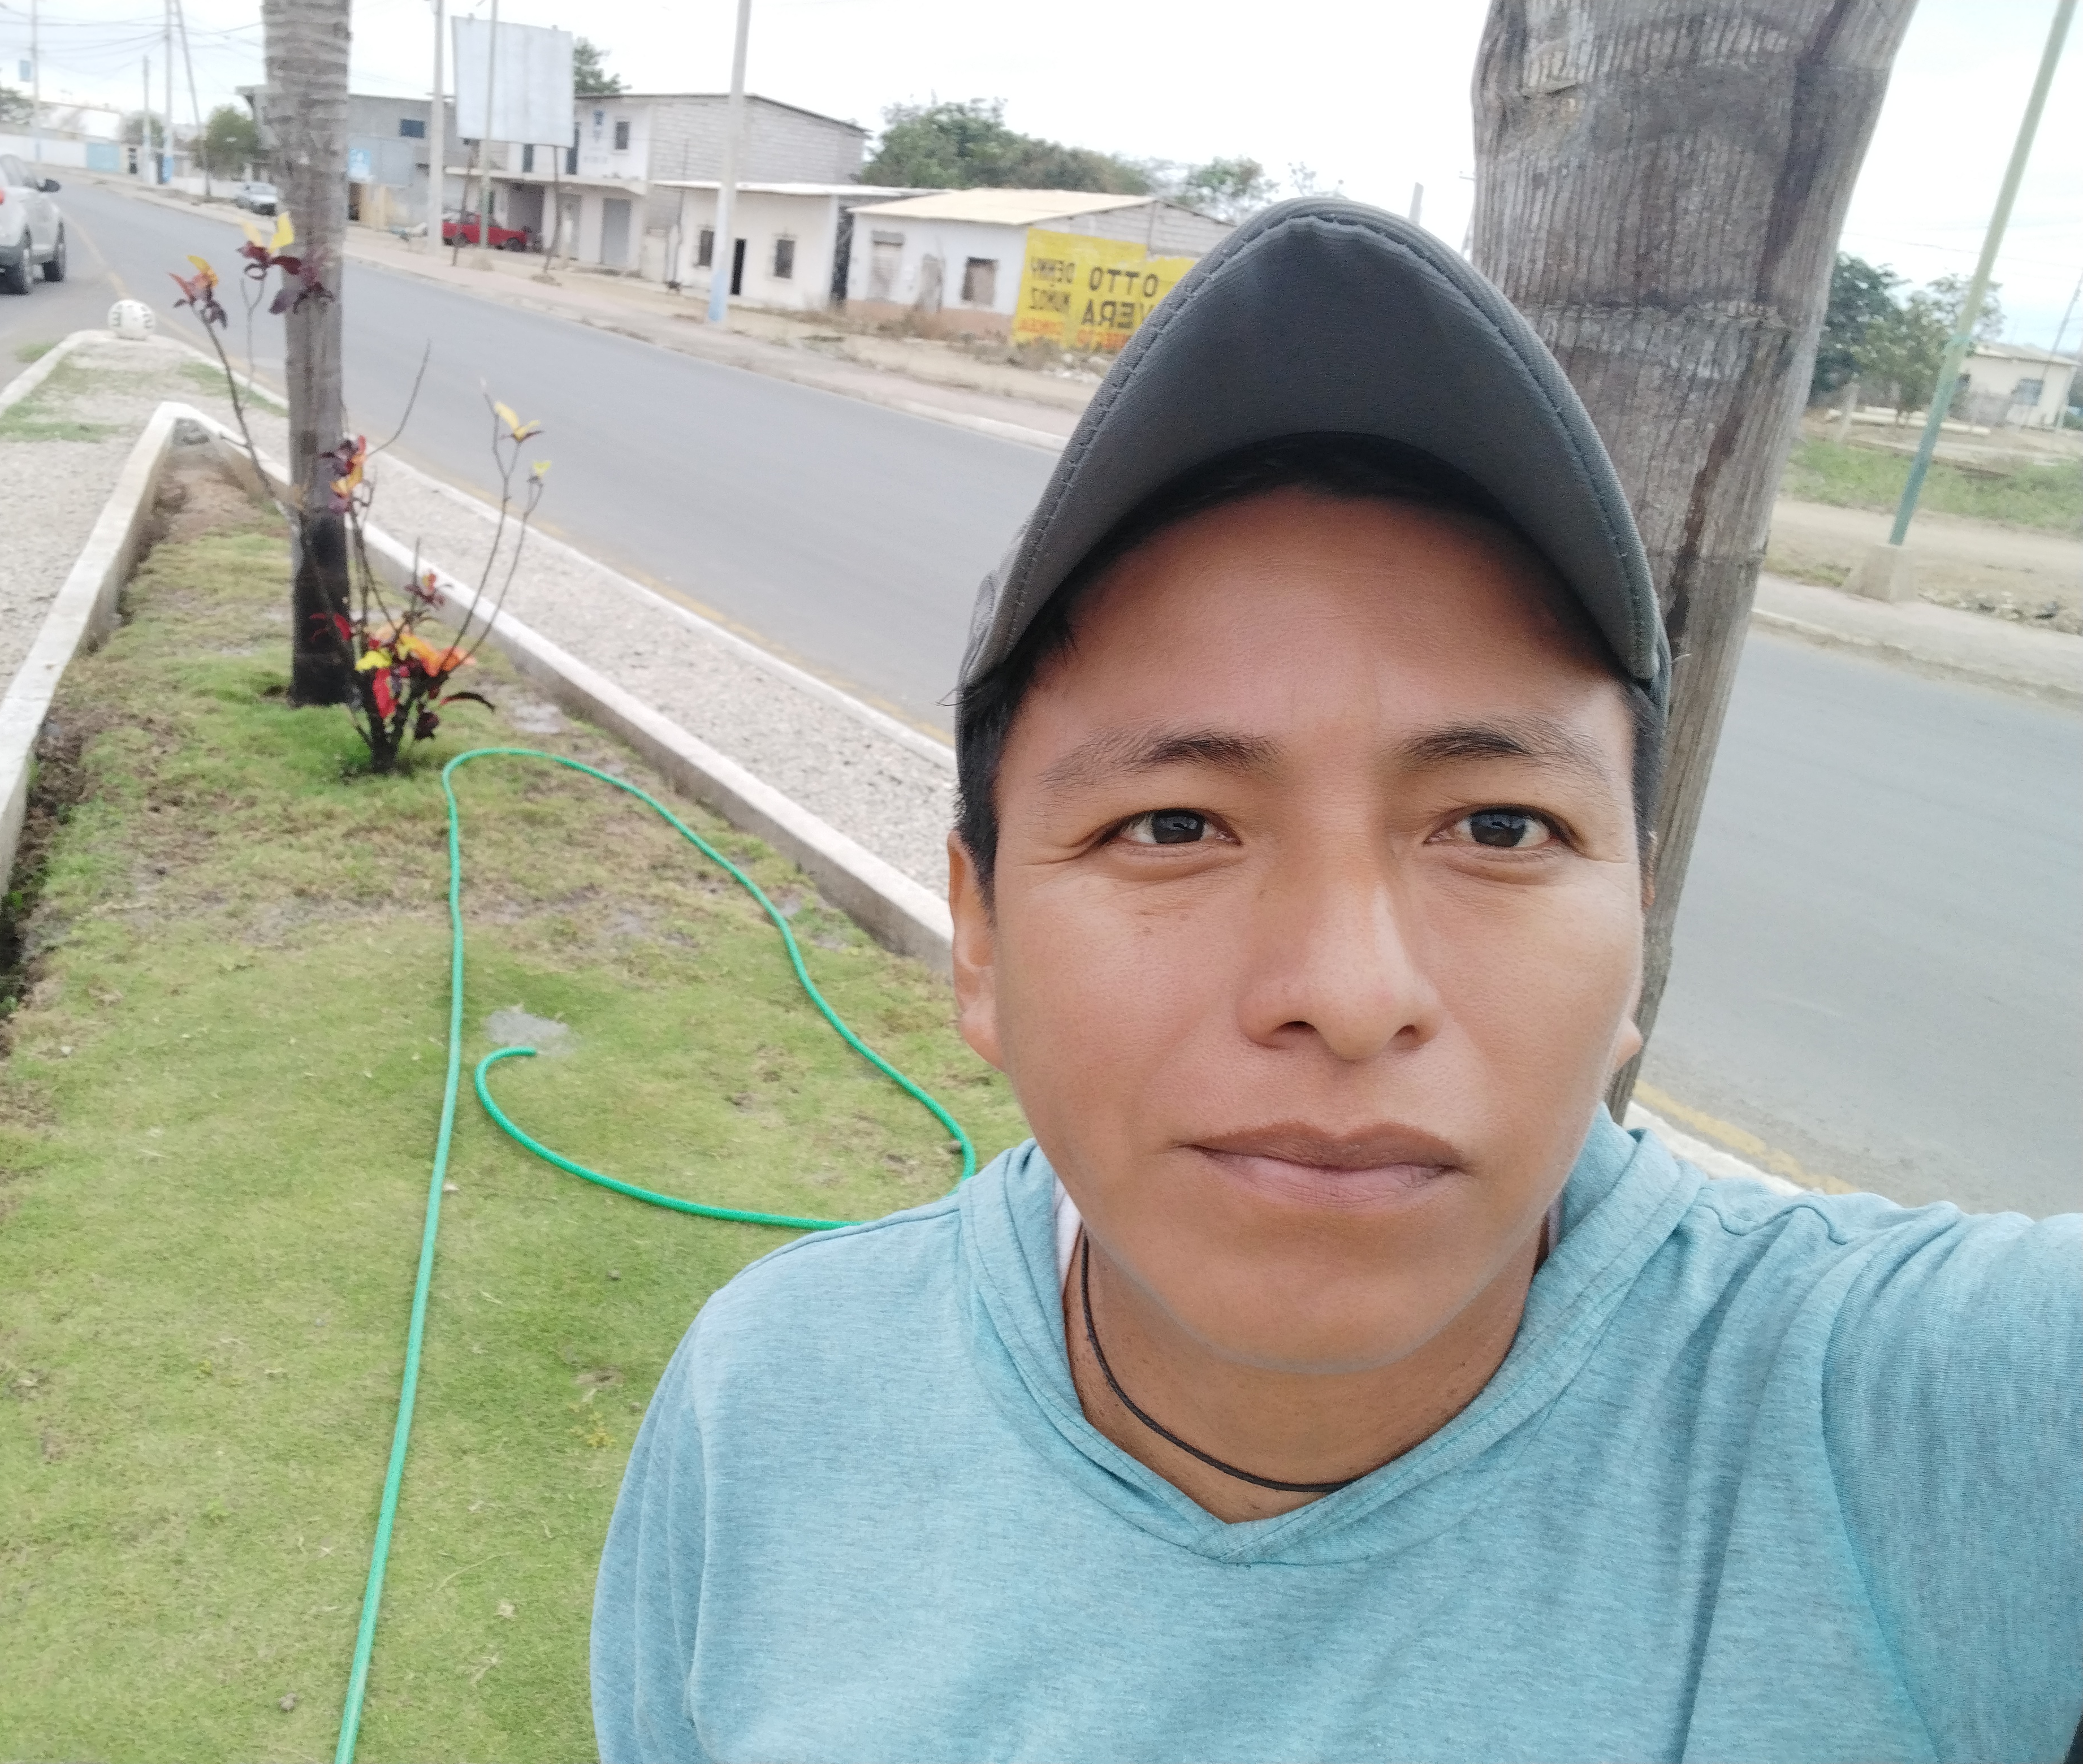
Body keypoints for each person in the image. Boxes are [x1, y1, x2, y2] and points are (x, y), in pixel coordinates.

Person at [589, 200, 2081, 1763]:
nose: (1352, 993)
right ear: (981, 937)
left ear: (1639, 927)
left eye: (1500, 827)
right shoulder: (771, 1402)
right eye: (1174, 826)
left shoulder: (1920, 1419)